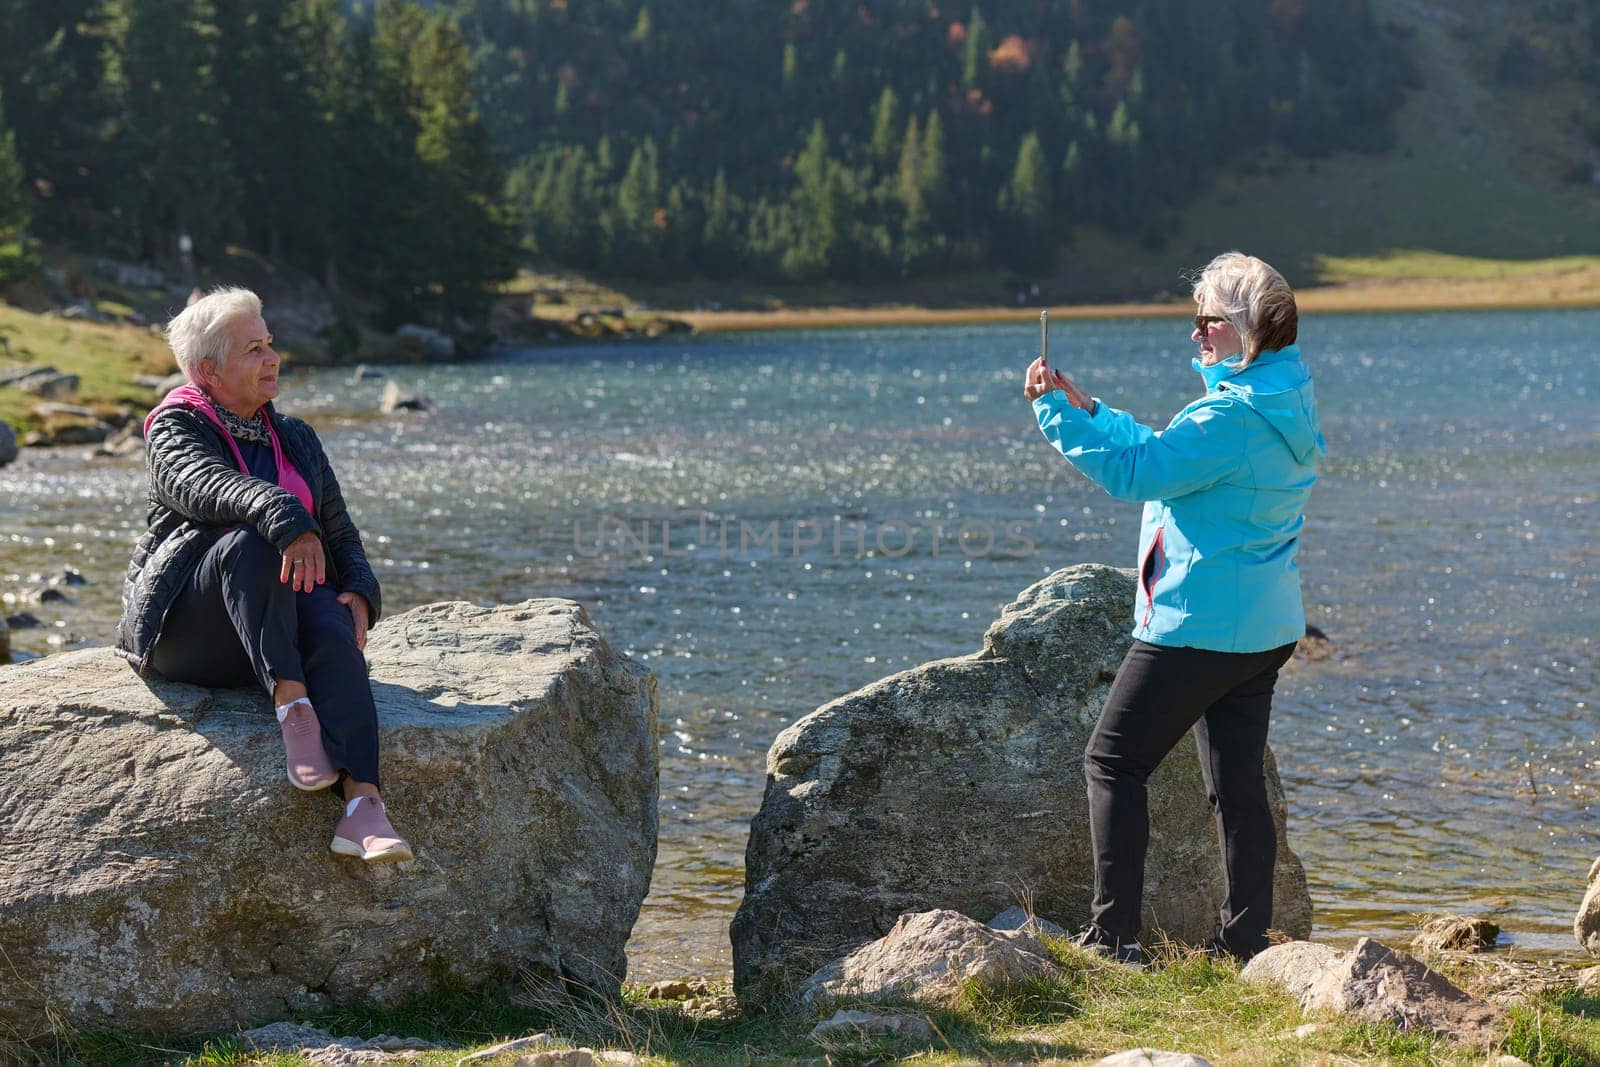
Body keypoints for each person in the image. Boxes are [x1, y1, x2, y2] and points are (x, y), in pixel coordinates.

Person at [1023, 252, 1325, 965]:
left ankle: (1113, 939)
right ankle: (1243, 942)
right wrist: (1090, 409)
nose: (1194, 333)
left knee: (1112, 762)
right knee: (1237, 788)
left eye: (1206, 320)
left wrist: (1051, 414)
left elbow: (1141, 471)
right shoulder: (1281, 400)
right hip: (1260, 628)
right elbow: (1165, 455)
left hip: (1199, 625)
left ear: (1243, 328)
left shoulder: (1230, 416)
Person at [116, 287, 412, 863]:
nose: (272, 357)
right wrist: (283, 515)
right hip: (190, 632)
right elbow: (202, 485)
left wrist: (360, 591)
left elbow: (340, 531)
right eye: (253, 350)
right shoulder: (175, 425)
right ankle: (293, 707)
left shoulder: (296, 436)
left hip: (276, 624)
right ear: (209, 370)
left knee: (329, 616)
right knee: (250, 541)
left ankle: (363, 806)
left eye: (270, 343)